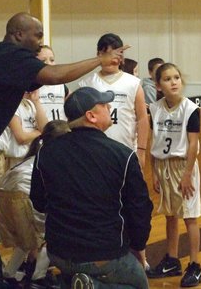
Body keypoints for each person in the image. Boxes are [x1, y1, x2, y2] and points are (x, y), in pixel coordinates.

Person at [0, 12, 128, 289]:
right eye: (38, 35)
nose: (40, 42)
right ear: (18, 34)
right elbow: (55, 75)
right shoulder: (13, 56)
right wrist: (100, 60)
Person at [30, 87, 153, 289]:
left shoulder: (46, 153)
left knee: (75, 275)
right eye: (104, 105)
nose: (109, 107)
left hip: (58, 251)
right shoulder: (123, 155)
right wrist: (138, 247)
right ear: (91, 116)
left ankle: (75, 283)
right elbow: (139, 209)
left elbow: (39, 201)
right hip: (104, 253)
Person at [146, 63, 201, 287]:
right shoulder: (154, 108)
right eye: (168, 79)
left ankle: (195, 264)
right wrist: (154, 173)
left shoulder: (190, 109)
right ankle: (172, 259)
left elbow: (193, 145)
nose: (174, 82)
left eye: (177, 77)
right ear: (158, 85)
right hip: (163, 165)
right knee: (170, 214)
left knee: (190, 215)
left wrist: (188, 174)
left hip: (183, 166)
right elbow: (154, 141)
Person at [0, 120, 70, 289]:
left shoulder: (38, 152)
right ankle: (39, 277)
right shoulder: (55, 156)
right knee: (51, 233)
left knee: (26, 240)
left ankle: (10, 273)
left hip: (4, 194)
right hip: (21, 194)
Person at [78, 33, 149, 169]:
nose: (111, 58)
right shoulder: (87, 84)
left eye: (115, 54)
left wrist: (141, 151)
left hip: (126, 151)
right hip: (95, 153)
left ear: (121, 57)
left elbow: (142, 119)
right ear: (98, 55)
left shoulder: (133, 83)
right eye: (106, 53)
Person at [6, 89, 48, 168]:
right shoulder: (12, 105)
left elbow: (46, 129)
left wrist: (36, 101)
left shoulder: (31, 104)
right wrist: (39, 132)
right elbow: (22, 138)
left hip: (35, 157)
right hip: (18, 160)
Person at [36, 45, 70, 121]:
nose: (49, 63)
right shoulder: (31, 87)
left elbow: (72, 104)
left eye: (52, 60)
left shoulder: (61, 85)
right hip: (41, 130)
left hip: (62, 129)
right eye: (43, 61)